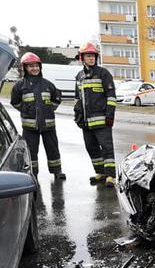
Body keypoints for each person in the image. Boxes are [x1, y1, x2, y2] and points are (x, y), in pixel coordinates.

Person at [10, 52, 66, 180]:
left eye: (36, 66)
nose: (34, 68)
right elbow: (15, 102)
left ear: (40, 67)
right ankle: (33, 173)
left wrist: (49, 109)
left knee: (53, 149)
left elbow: (57, 98)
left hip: (48, 125)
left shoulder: (48, 84)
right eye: (31, 66)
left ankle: (57, 171)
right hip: (30, 127)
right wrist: (25, 111)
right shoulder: (20, 85)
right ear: (25, 68)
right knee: (31, 151)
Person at [74, 41, 117, 187]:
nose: (91, 58)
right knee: (91, 147)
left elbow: (111, 96)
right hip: (86, 122)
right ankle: (101, 172)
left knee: (106, 147)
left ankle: (111, 175)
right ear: (82, 58)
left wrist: (110, 115)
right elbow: (78, 99)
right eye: (88, 56)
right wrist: (77, 115)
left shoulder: (103, 73)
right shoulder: (79, 76)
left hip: (102, 120)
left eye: (93, 55)